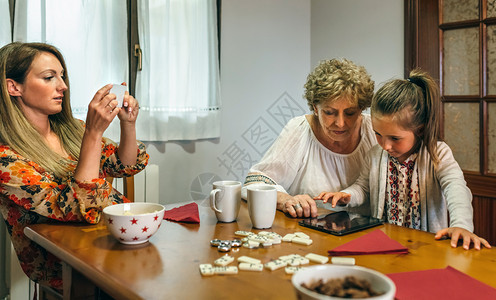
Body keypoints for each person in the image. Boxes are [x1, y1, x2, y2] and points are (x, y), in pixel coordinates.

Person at [0, 42, 149, 292]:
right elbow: (73, 209)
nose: (63, 86)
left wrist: (128, 125)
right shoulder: (6, 159)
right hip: (69, 268)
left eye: (62, 76)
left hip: (112, 246)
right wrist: (93, 133)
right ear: (13, 87)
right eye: (49, 77)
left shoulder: (71, 129)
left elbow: (125, 166)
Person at [315, 69, 492, 250]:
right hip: (383, 243)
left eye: (395, 138)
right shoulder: (375, 155)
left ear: (420, 130)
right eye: (378, 134)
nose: (385, 145)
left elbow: (456, 188)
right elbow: (363, 188)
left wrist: (461, 225)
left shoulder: (437, 154)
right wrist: (347, 195)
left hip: (427, 247)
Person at [243, 58, 376, 218]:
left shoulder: (375, 131)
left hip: (367, 233)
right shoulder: (299, 131)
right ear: (315, 107)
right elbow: (254, 183)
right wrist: (287, 200)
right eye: (329, 112)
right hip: (312, 234)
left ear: (361, 108)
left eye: (350, 113)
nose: (340, 123)